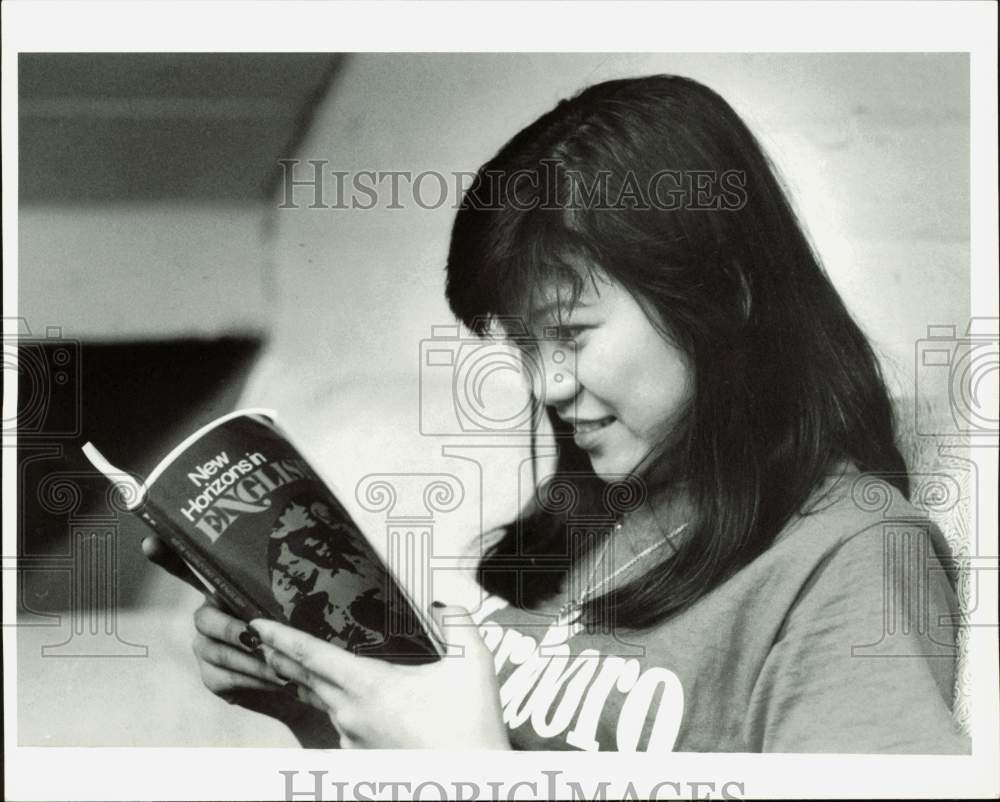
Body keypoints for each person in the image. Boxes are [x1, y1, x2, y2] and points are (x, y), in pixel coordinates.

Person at [144, 74, 970, 753]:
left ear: (725, 292)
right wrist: (317, 712)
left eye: (571, 333)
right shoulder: (597, 505)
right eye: (527, 345)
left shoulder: (851, 556)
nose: (545, 386)